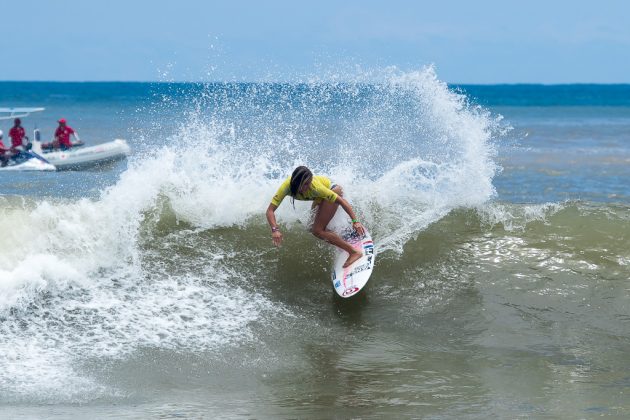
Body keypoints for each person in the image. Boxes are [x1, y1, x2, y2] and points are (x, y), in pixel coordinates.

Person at [266, 166, 366, 268]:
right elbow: (270, 210)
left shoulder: (315, 188)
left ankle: (354, 252)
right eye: (305, 184)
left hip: (333, 190)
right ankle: (340, 237)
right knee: (311, 227)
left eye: (309, 183)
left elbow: (341, 201)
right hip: (319, 197)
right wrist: (275, 230)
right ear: (296, 182)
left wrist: (355, 221)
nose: (308, 186)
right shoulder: (286, 187)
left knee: (317, 230)